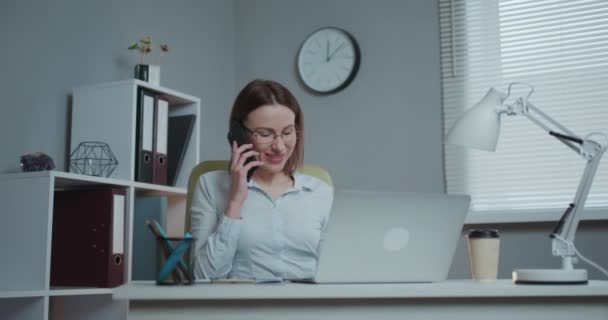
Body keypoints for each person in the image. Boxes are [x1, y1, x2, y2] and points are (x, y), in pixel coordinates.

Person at [190, 79, 334, 281]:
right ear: (238, 134)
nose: (280, 147)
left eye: (287, 132)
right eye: (265, 134)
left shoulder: (320, 191)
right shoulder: (210, 185)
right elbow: (202, 276)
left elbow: (333, 272)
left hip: (309, 309)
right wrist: (235, 201)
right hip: (245, 310)